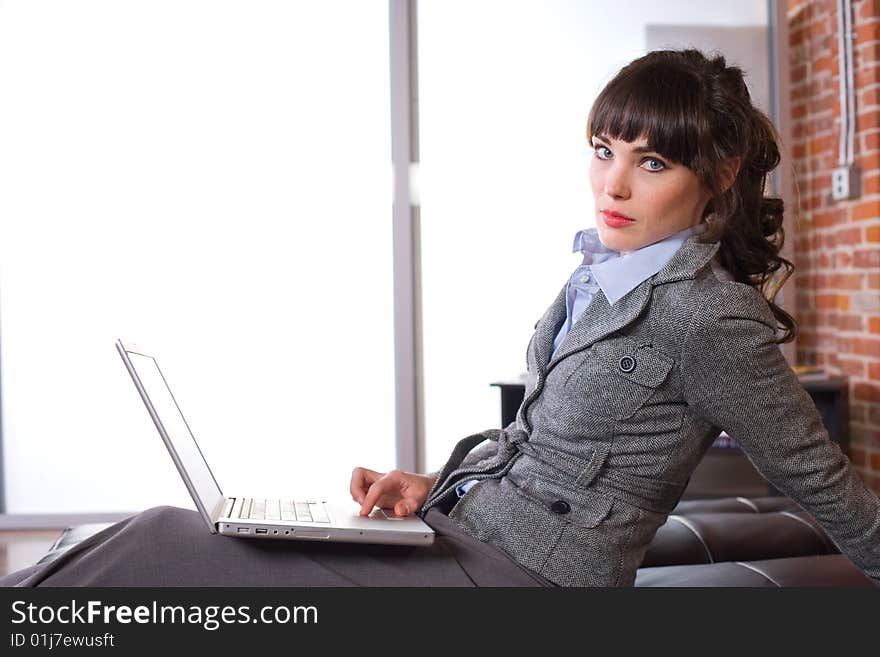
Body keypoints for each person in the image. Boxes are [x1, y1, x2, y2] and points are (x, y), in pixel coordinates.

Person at [3, 48, 879, 587]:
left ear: (717, 174)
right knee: (155, 543)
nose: (612, 183)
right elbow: (535, 442)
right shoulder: (598, 273)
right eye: (604, 151)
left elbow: (823, 481)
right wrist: (432, 484)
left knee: (162, 544)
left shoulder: (711, 320)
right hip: (462, 534)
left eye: (649, 162)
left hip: (525, 582)